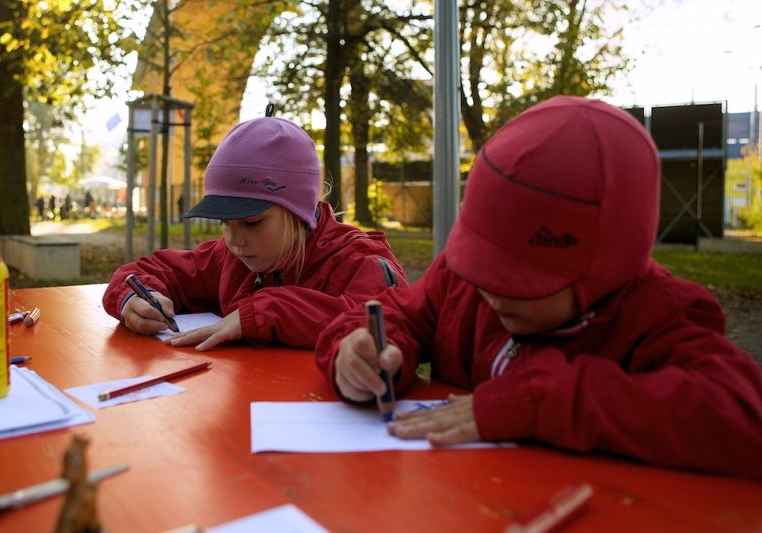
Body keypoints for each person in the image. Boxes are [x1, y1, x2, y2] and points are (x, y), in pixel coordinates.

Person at [314, 96, 762, 481]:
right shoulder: (463, 283)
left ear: (604, 266)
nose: (490, 293)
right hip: (457, 500)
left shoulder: (658, 316)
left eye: (518, 280)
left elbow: (744, 415)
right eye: (481, 263)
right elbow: (393, 314)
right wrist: (360, 354)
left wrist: (541, 402)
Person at [103, 115, 408, 349]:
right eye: (225, 223)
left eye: (252, 223)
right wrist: (134, 297)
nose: (234, 240)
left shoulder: (358, 260)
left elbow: (388, 322)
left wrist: (263, 312)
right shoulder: (229, 257)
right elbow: (146, 271)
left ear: (298, 209)